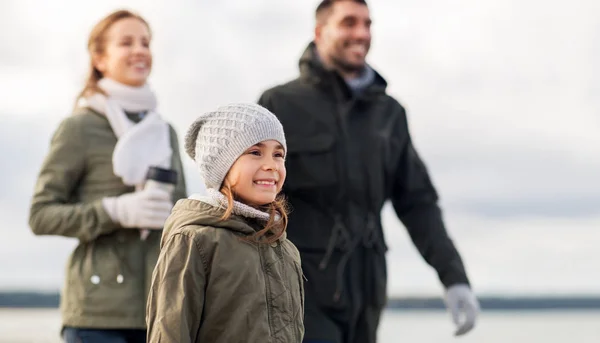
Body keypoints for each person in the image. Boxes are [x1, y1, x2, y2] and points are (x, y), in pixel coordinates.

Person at [257, 1, 479, 342]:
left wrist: (454, 277)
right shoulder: (279, 104)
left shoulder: (389, 114)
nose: (361, 33)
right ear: (319, 32)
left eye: (367, 24)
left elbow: (418, 203)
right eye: (349, 23)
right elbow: (252, 197)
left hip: (368, 291)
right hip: (299, 290)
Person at [28, 9, 187, 343]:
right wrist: (114, 211)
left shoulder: (166, 132)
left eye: (145, 42)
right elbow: (40, 216)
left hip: (162, 310)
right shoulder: (79, 128)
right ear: (99, 59)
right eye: (126, 42)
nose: (140, 50)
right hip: (96, 314)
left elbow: (181, 222)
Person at [146, 103, 305, 343]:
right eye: (255, 152)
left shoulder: (285, 249)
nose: (271, 165)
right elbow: (169, 334)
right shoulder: (194, 241)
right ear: (221, 165)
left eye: (278, 154)